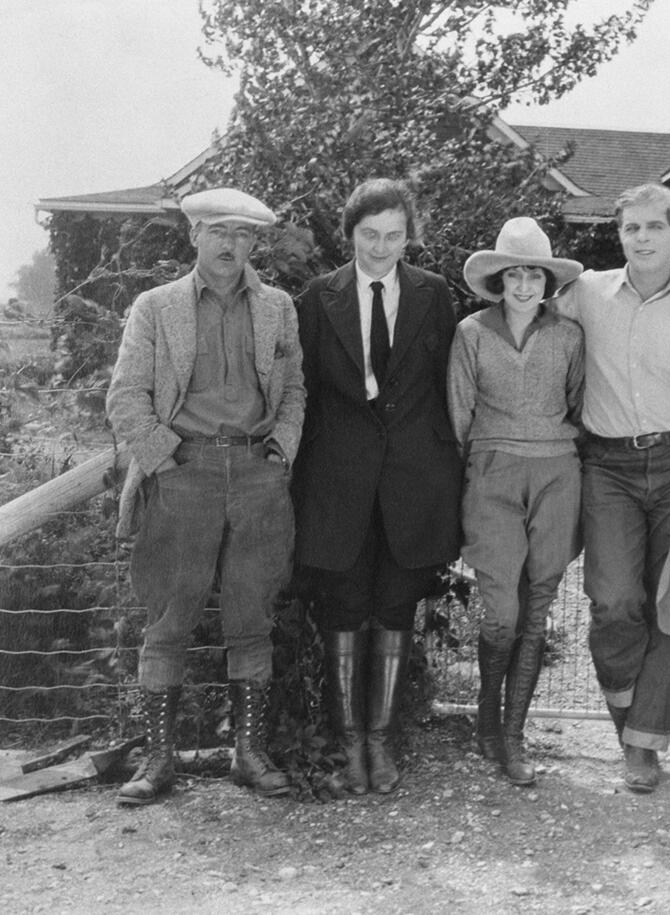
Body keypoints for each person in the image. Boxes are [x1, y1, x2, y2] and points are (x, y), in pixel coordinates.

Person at [107, 188, 305, 806]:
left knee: (252, 617)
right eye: (218, 231)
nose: (230, 245)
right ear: (193, 235)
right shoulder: (155, 306)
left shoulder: (277, 307)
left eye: (244, 236)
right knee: (168, 618)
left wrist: (281, 452)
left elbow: (295, 390)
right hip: (182, 471)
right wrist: (164, 459)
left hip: (257, 476)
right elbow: (125, 397)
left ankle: (248, 756)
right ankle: (159, 760)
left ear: (254, 245)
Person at [554, 183, 670, 794]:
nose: (642, 239)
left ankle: (642, 746)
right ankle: (629, 715)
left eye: (654, 227)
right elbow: (537, 333)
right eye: (631, 228)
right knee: (612, 601)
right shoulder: (586, 293)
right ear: (620, 233)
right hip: (606, 468)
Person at [291, 178, 462, 795]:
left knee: (395, 604)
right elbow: (301, 396)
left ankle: (380, 743)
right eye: (370, 235)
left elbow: (451, 389)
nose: (382, 247)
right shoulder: (317, 299)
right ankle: (346, 745)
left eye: (394, 235)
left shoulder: (434, 295)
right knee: (342, 606)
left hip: (413, 484)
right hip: (337, 484)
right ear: (350, 234)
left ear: (407, 235)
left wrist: (450, 475)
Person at [447, 217, 584, 787]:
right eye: (514, 274)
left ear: (547, 281)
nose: (524, 285)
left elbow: (578, 404)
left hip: (557, 470)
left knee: (538, 605)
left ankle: (512, 737)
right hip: (493, 472)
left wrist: (558, 450)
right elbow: (459, 412)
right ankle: (485, 716)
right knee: (501, 610)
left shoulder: (569, 334)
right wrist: (477, 467)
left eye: (535, 274)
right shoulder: (471, 333)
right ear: (498, 279)